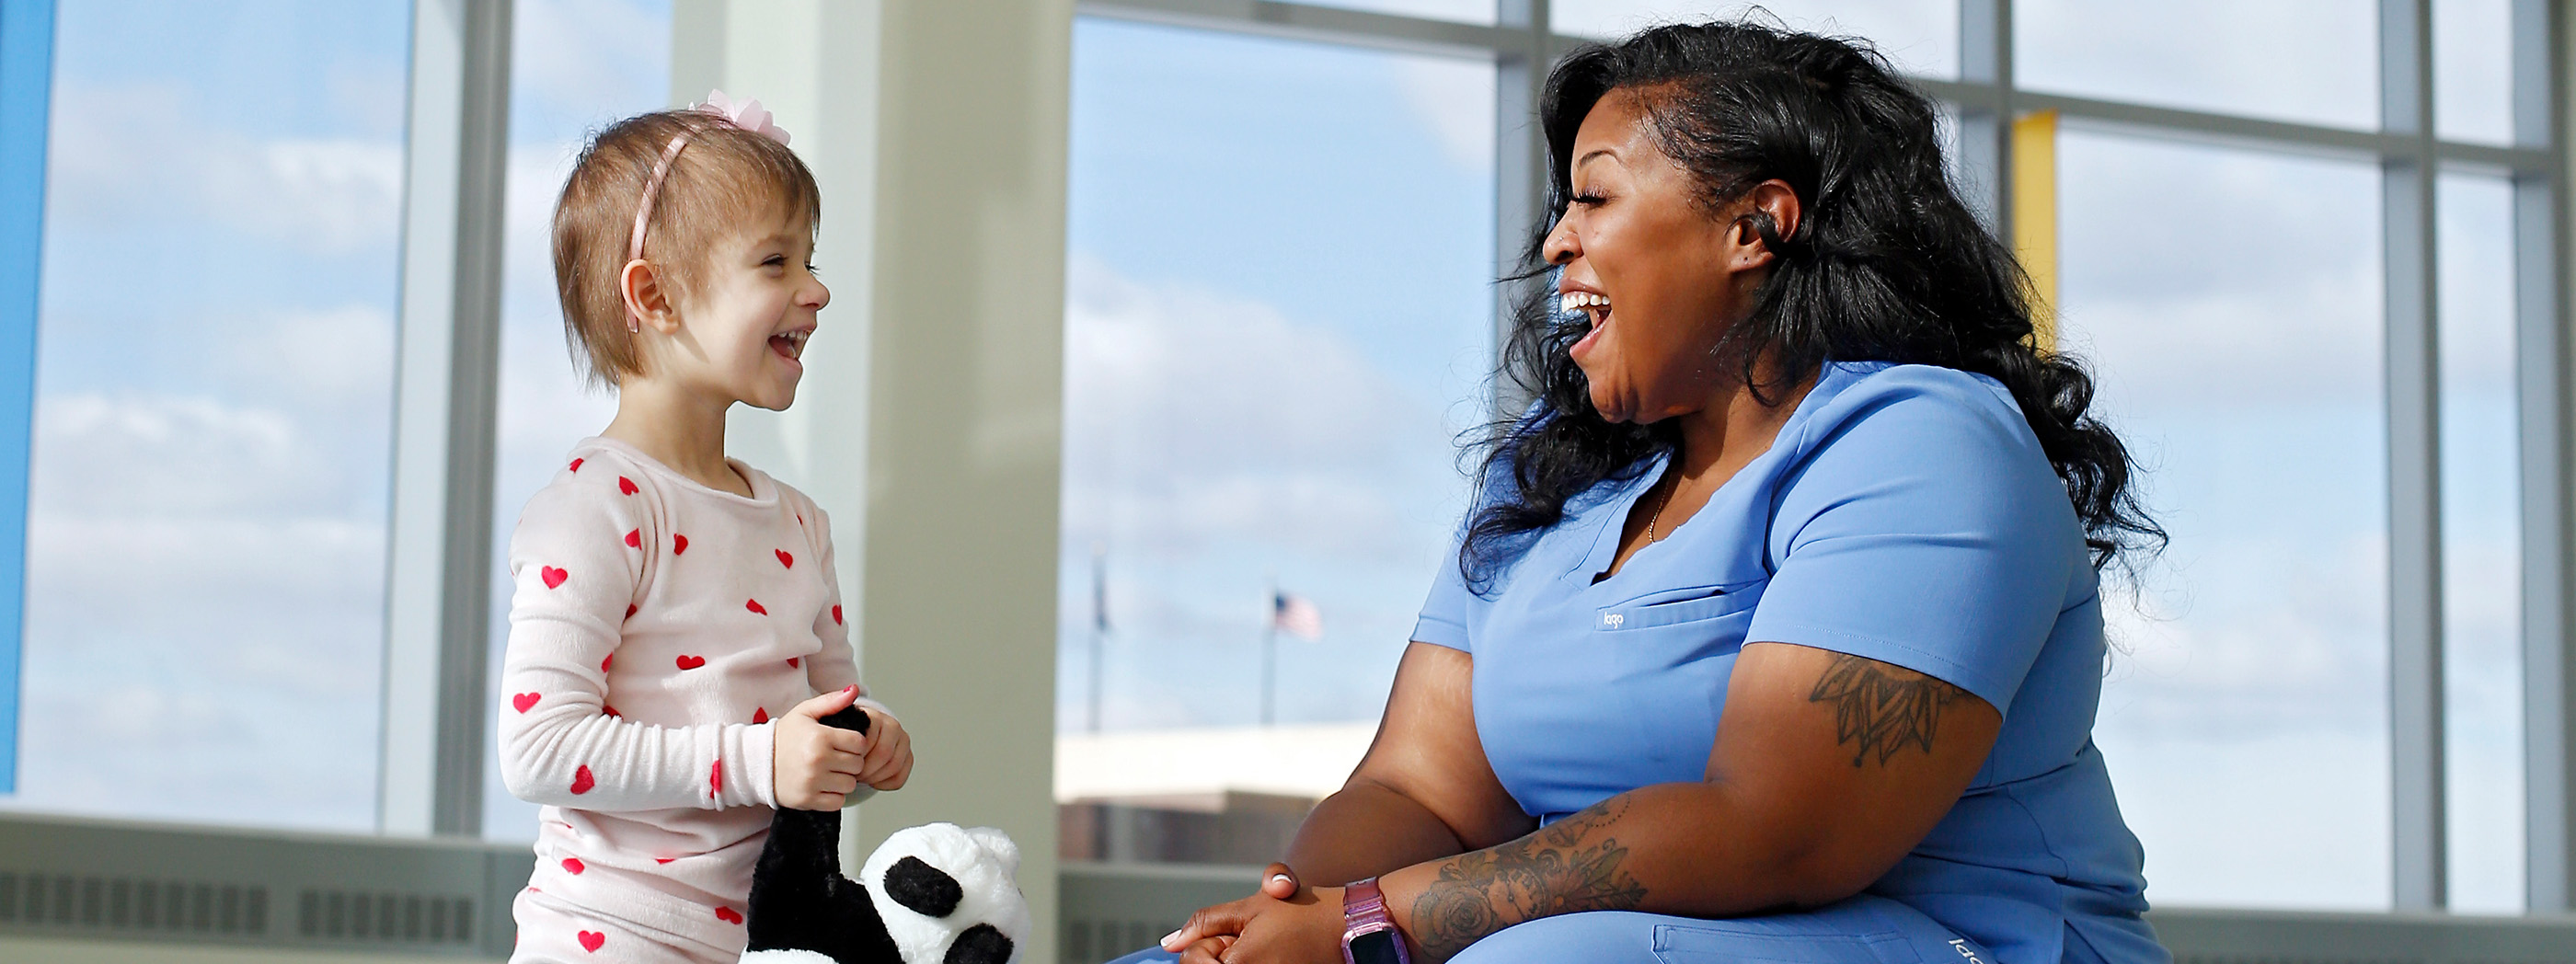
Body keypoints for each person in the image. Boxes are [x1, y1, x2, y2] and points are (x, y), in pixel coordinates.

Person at [1121, 20, 2167, 964]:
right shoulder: (1549, 474)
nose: (1555, 241)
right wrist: (1294, 920)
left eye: (1596, 195)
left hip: (1966, 937)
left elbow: (1777, 827)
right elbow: (1418, 789)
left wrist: (1372, 929)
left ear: (1753, 229)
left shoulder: (1918, 439)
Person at [496, 93, 914, 964]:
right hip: (610, 941)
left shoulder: (800, 522)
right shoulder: (595, 508)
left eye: (811, 258)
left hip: (764, 945)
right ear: (654, 297)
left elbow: (813, 733)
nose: (817, 290)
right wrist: (761, 760)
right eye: (775, 261)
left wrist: (863, 742)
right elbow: (537, 749)